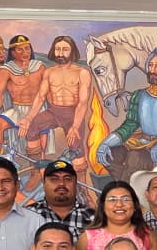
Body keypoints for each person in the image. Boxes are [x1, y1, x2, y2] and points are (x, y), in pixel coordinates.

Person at [95, 46, 157, 180]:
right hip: (142, 143)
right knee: (110, 155)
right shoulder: (139, 95)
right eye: (151, 65)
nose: (152, 70)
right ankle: (126, 186)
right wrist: (106, 143)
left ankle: (126, 189)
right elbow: (130, 124)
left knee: (135, 158)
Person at [18, 35, 100, 167]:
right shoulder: (49, 72)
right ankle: (35, 170)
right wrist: (28, 118)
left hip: (73, 114)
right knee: (32, 126)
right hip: (53, 112)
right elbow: (41, 97)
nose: (60, 53)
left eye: (65, 49)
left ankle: (80, 178)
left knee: (76, 147)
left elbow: (82, 103)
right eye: (57, 49)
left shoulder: (82, 72)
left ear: (72, 51)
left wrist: (75, 126)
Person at [0, 34, 47, 159]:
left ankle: (39, 166)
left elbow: (46, 93)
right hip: (17, 109)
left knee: (38, 141)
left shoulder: (40, 67)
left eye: (27, 48)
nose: (25, 52)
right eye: (20, 49)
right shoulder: (6, 69)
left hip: (37, 110)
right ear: (13, 52)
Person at [28, 159, 95, 239]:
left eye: (67, 179)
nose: (61, 183)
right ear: (44, 184)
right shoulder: (28, 215)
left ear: (75, 184)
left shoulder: (92, 218)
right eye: (54, 179)